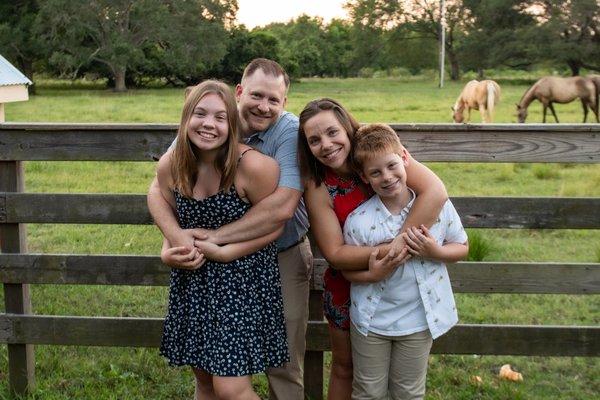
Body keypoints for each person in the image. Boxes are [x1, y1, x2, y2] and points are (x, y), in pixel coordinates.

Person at [148, 59, 311, 400]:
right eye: (256, 95)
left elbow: (280, 211)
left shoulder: (279, 139)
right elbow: (162, 191)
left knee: (269, 372)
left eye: (273, 100)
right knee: (206, 380)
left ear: (284, 103)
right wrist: (173, 243)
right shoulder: (206, 125)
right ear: (240, 93)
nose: (263, 106)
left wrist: (217, 244)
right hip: (199, 279)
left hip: (263, 266)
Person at [297, 99, 448, 400]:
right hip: (349, 282)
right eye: (314, 140)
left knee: (401, 379)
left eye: (332, 132)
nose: (326, 145)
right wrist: (386, 255)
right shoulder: (318, 186)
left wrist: (397, 249)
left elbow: (435, 191)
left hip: (406, 283)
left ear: (348, 127)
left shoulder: (376, 154)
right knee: (345, 367)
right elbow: (335, 253)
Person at [343, 123, 469, 400]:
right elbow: (349, 271)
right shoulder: (359, 221)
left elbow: (461, 247)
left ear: (404, 158)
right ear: (365, 178)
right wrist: (373, 272)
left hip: (418, 320)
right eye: (375, 172)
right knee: (367, 391)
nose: (386, 177)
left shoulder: (439, 209)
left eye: (391, 166)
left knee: (409, 393)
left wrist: (435, 252)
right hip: (370, 322)